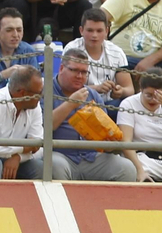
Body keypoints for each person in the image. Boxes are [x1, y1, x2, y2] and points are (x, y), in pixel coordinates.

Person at [43, 47, 141, 182]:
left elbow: (105, 131)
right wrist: (70, 103)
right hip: (61, 155)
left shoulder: (93, 94)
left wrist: (109, 144)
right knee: (54, 164)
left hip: (92, 157)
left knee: (127, 168)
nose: (79, 76)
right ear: (61, 68)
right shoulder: (45, 90)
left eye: (84, 72)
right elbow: (44, 127)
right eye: (74, 70)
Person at [74, 9, 133, 100]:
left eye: (99, 31)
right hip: (80, 102)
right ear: (81, 30)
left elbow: (129, 89)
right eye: (90, 30)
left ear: (106, 31)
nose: (94, 35)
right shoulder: (72, 50)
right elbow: (67, 87)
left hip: (110, 104)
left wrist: (120, 91)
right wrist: (97, 88)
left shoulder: (117, 52)